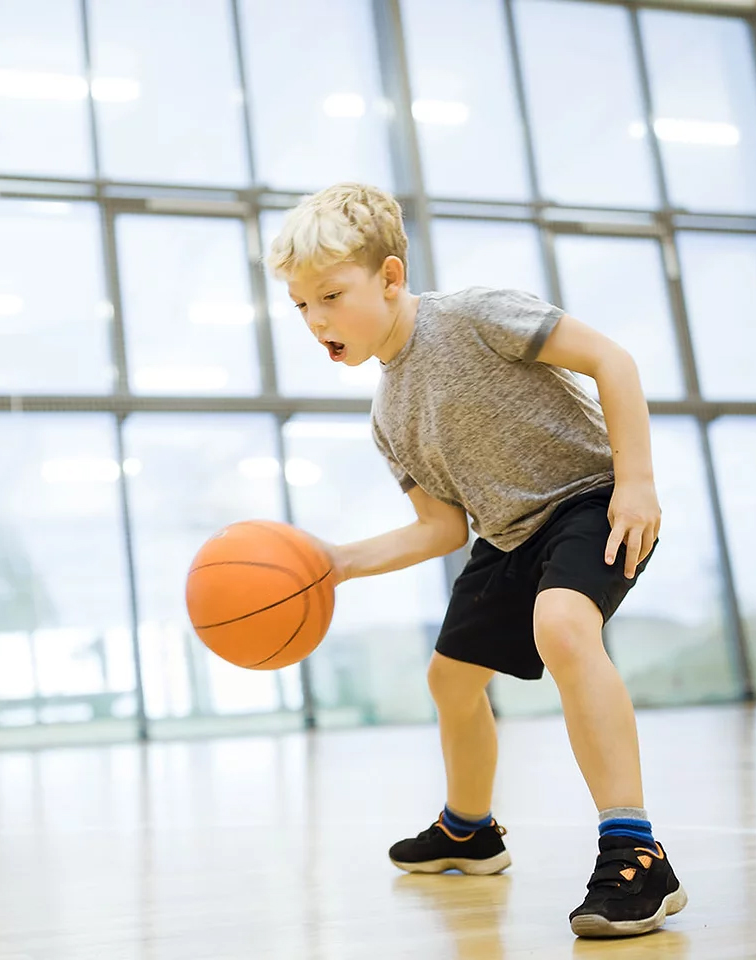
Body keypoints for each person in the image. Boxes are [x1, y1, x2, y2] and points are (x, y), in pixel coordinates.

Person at [268, 183, 685, 938]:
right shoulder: (387, 414)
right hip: (507, 532)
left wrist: (637, 481)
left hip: (590, 498)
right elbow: (440, 528)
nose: (316, 320)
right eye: (300, 306)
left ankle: (636, 852)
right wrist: (336, 561)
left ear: (390, 278)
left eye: (330, 295)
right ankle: (470, 830)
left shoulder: (474, 314)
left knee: (563, 625)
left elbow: (611, 360)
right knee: (450, 678)